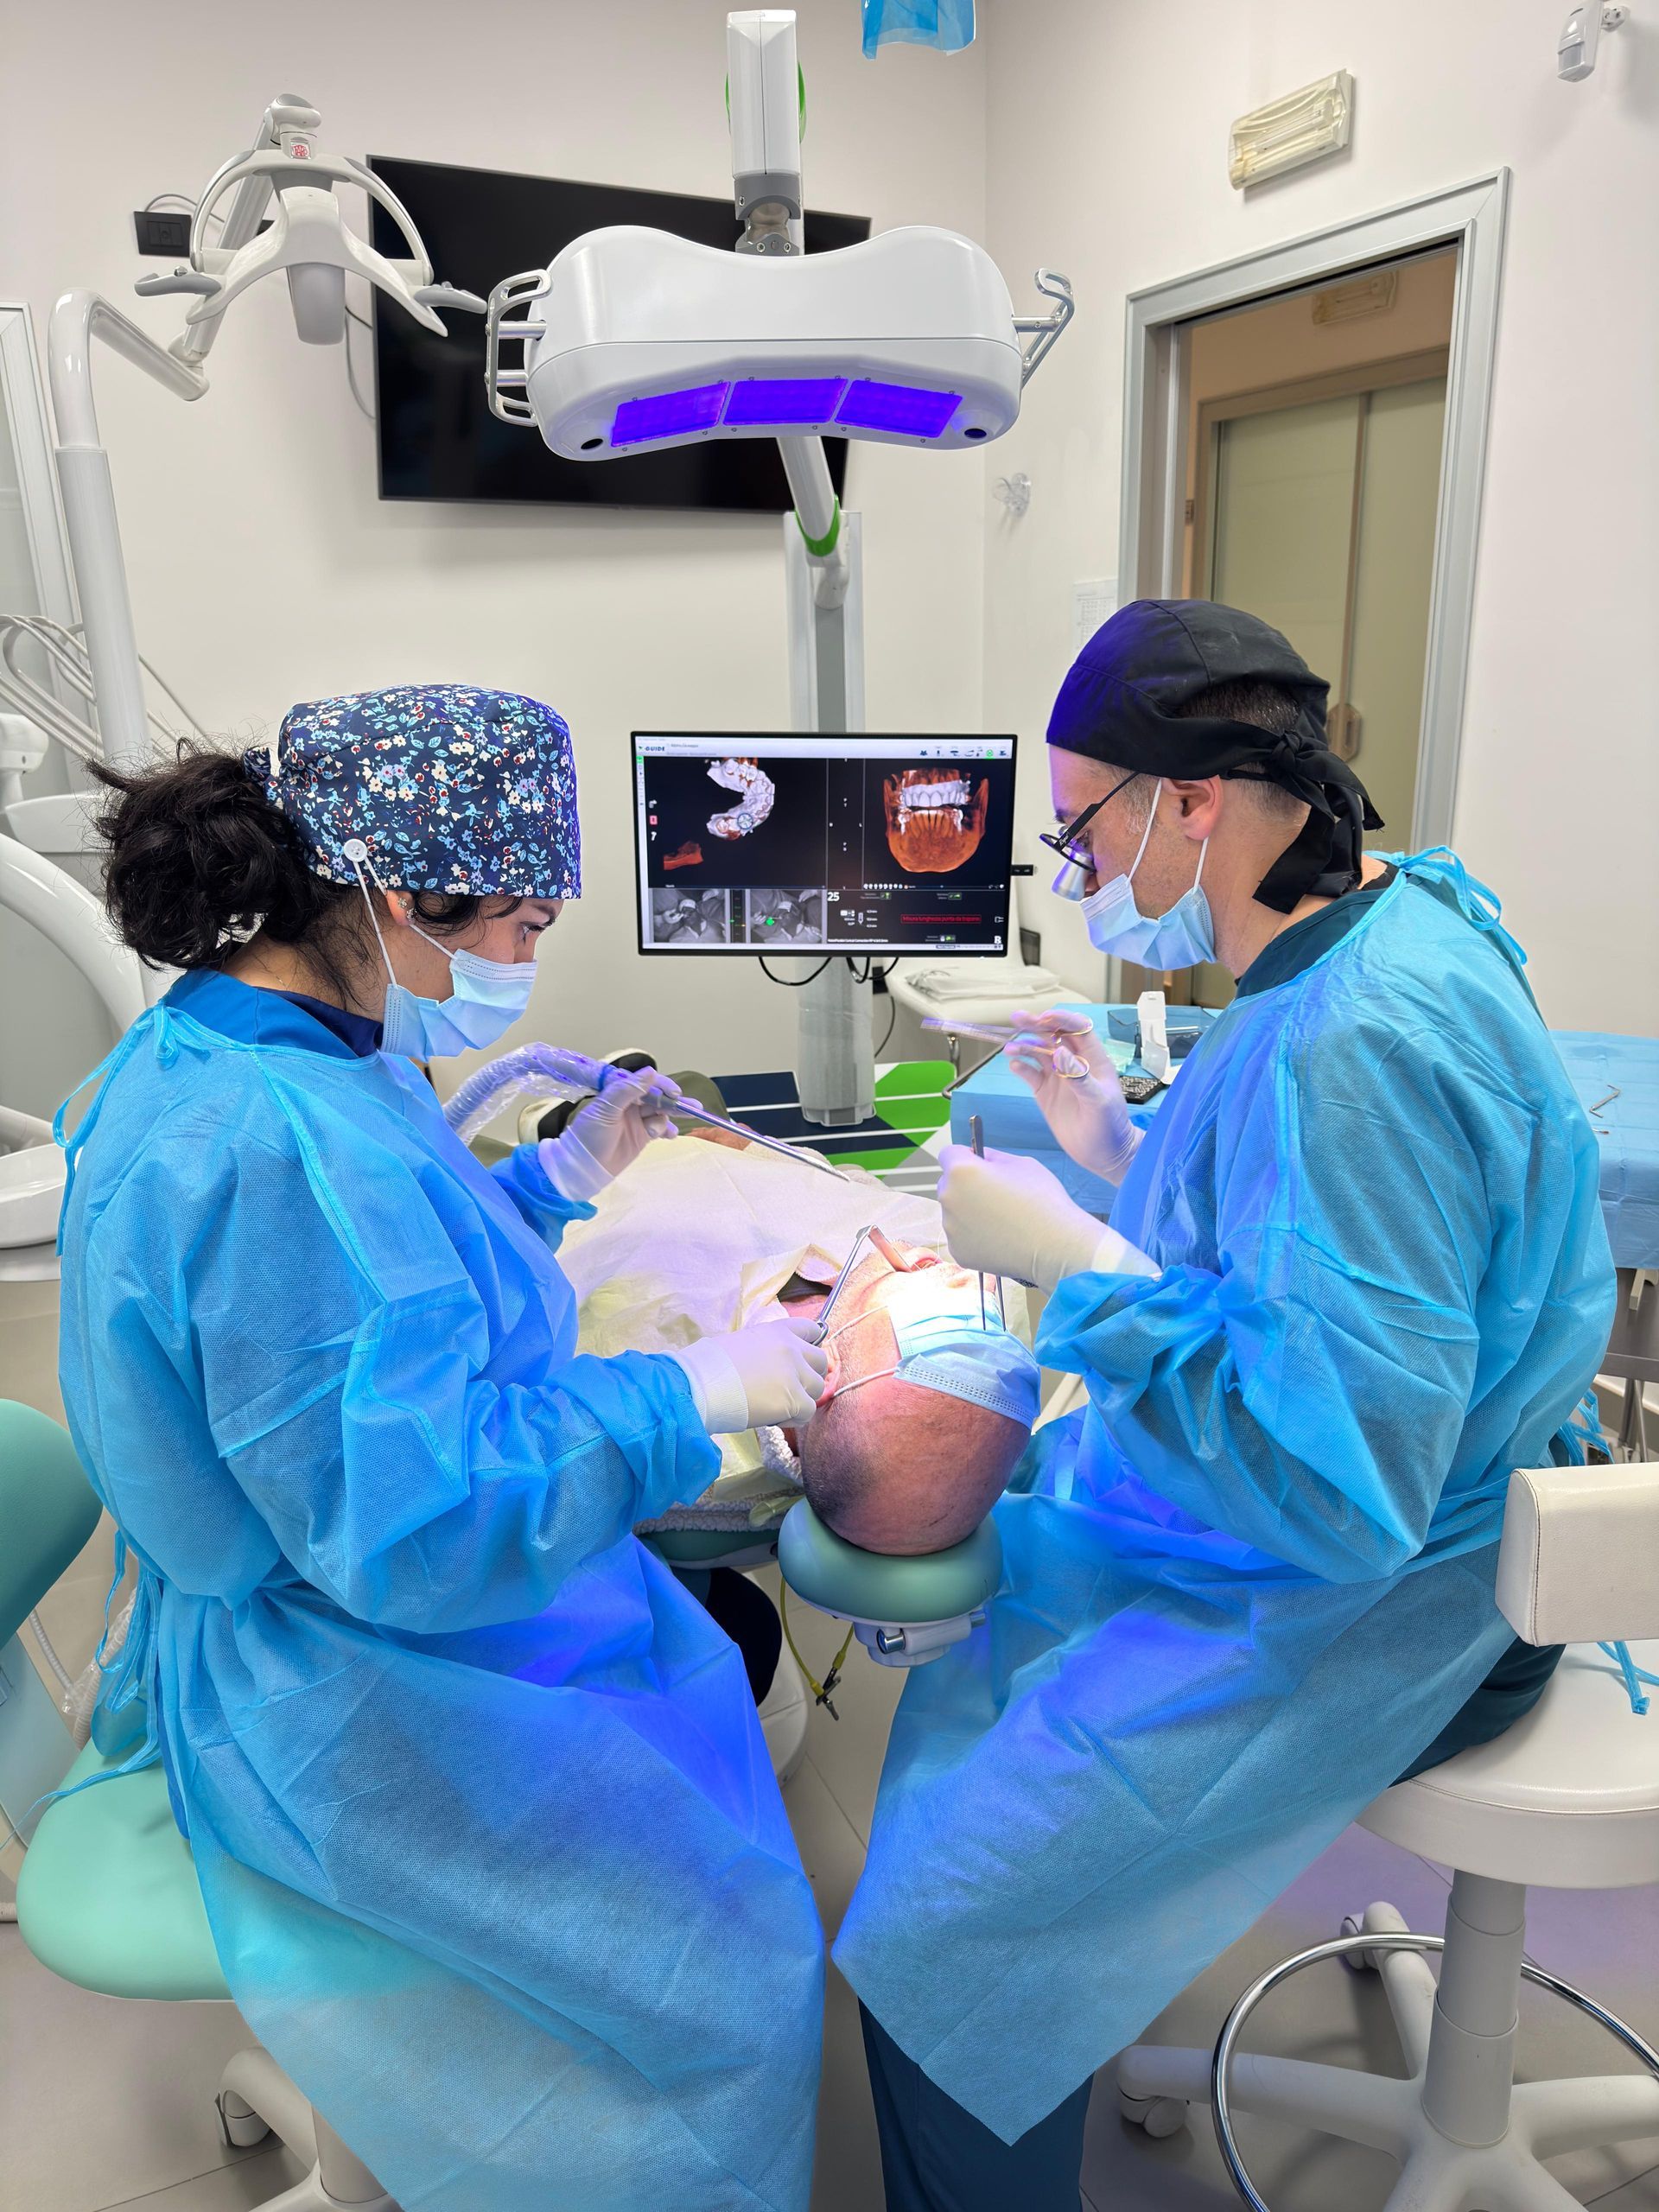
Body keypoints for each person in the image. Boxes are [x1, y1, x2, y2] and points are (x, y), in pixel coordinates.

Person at [832, 602, 1615, 2210]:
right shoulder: (1397, 916)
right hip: (1378, 1504)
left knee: (943, 1923)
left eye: (1081, 829)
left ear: (1193, 802)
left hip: (1395, 1596)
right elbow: (1313, 1260)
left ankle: (991, 2008)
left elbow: (1337, 1489)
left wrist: (1072, 1268)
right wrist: (1121, 1149)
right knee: (991, 1652)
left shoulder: (1352, 1049)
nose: (1076, 870)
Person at [54, 686, 830, 2212]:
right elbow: (418, 1522)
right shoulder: (270, 1145)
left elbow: (393, 1292)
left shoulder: (257, 1044)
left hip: (354, 1596)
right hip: (351, 1670)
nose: (526, 964)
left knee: (715, 1672)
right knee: (721, 1961)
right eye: (524, 926)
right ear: (406, 900)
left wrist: (554, 1176)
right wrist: (687, 1394)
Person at [557, 1125, 1040, 1558]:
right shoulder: (986, 1297)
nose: (961, 1278)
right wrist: (764, 1152)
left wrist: (559, 1169)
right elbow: (850, 1192)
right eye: (984, 1330)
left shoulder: (646, 1407)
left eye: (940, 1324)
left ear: (824, 1370)